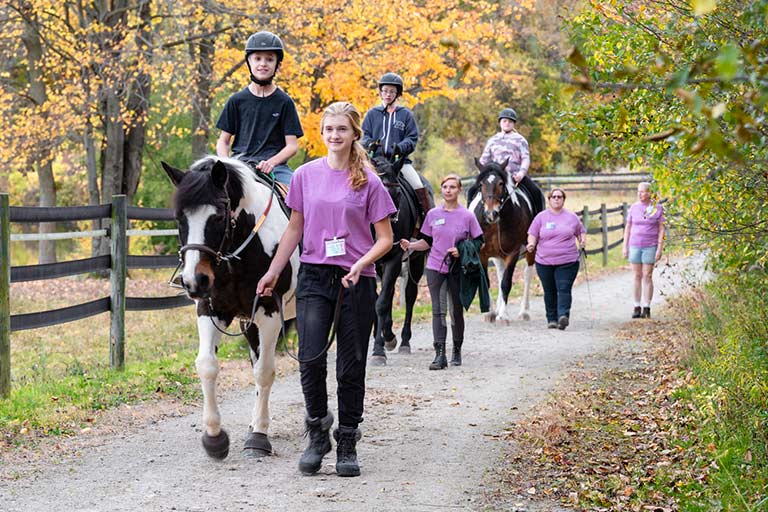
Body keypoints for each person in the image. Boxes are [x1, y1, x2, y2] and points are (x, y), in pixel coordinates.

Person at [256, 101, 395, 477]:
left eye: (341, 130)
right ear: (322, 133)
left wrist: (362, 263)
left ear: (354, 135)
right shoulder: (304, 175)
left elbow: (385, 238)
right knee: (311, 358)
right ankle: (318, 432)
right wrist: (273, 271)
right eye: (329, 129)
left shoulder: (369, 179)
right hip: (315, 276)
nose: (334, 136)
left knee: (351, 365)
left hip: (356, 280)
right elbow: (294, 229)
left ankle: (347, 439)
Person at [400, 174, 483, 369]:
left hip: (457, 269)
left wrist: (461, 250)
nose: (448, 190)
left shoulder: (467, 216)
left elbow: (479, 241)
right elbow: (426, 242)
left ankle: (457, 349)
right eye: (445, 187)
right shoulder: (433, 215)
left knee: (455, 311)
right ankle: (439, 354)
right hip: (435, 268)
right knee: (438, 311)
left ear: (459, 190)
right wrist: (411, 246)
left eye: (452, 187)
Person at [215, 31, 303, 185]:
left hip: (276, 168)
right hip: (241, 164)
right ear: (249, 62)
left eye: (269, 59)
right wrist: (226, 163)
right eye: (257, 58)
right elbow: (223, 141)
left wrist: (272, 162)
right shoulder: (236, 101)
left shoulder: (285, 102)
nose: (263, 63)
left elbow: (292, 146)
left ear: (278, 65)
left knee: (298, 192)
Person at [361, 72, 431, 216]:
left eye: (392, 92)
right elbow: (363, 135)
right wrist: (369, 144)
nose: (388, 94)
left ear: (397, 94)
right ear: (381, 92)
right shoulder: (372, 114)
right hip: (375, 163)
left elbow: (412, 138)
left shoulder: (405, 114)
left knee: (418, 185)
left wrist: (401, 147)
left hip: (399, 163)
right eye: (385, 91)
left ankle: (426, 223)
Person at [526, 188, 585, 330]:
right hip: (544, 261)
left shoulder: (571, 217)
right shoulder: (541, 217)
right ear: (549, 199)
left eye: (560, 197)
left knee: (564, 288)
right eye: (554, 197)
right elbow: (532, 233)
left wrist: (582, 241)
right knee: (549, 290)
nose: (557, 199)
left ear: (564, 200)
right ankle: (551, 319)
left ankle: (563, 316)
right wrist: (531, 244)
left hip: (568, 261)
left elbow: (581, 231)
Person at [478, 107, 544, 214]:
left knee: (536, 192)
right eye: (505, 121)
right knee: (472, 190)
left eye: (510, 121)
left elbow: (525, 158)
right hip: (496, 177)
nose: (507, 123)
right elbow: (484, 159)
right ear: (500, 122)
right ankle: (471, 222)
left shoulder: (520, 140)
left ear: (514, 124)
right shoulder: (492, 140)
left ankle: (539, 222)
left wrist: (521, 174)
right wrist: (482, 174)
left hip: (515, 176)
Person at [622, 182, 665, 319]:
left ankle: (646, 306)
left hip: (650, 245)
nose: (640, 194)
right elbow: (628, 227)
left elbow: (661, 229)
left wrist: (659, 248)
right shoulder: (634, 208)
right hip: (635, 245)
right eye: (638, 191)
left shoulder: (657, 208)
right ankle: (636, 306)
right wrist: (625, 246)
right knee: (637, 275)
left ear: (649, 193)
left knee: (647, 275)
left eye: (643, 192)